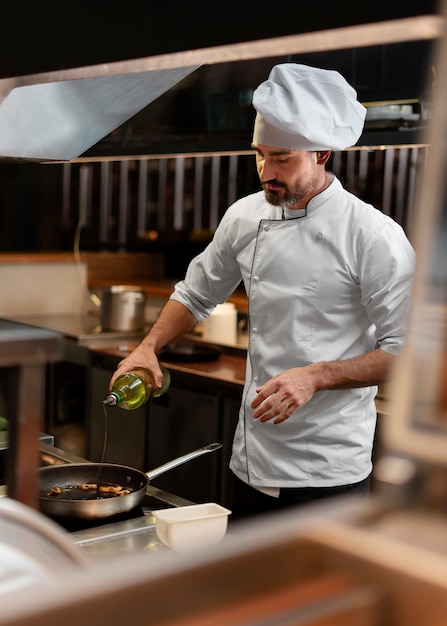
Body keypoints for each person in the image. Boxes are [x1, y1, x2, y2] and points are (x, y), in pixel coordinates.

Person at [110, 64, 415, 520]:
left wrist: (314, 375)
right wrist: (148, 347)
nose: (265, 172)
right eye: (259, 155)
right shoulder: (245, 217)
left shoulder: (372, 235)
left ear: (322, 154)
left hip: (326, 474)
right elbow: (196, 294)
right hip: (250, 461)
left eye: (282, 158)